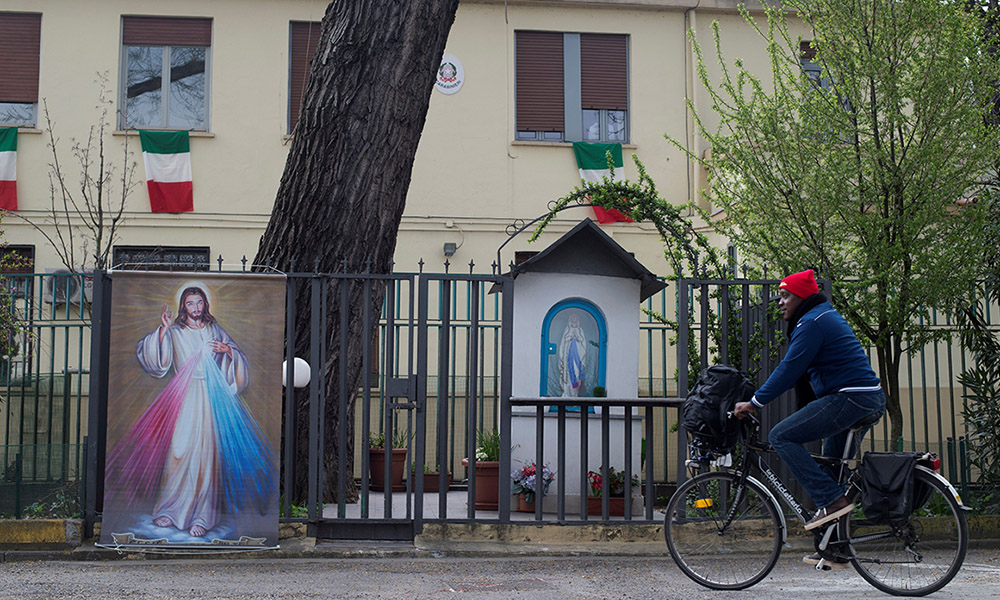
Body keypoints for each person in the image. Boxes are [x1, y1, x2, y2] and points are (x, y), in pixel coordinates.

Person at [106, 285, 275, 539]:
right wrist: (163, 330)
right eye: (190, 303)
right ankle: (170, 510)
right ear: (183, 307)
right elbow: (156, 361)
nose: (195, 308)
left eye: (199, 302)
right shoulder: (175, 332)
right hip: (185, 396)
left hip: (211, 396)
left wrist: (228, 351)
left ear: (205, 304)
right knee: (179, 452)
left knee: (206, 456)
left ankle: (202, 516)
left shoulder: (214, 330)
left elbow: (237, 358)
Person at [733, 269, 884, 544]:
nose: (780, 302)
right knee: (831, 471)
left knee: (781, 436)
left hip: (850, 398)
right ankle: (835, 547)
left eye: (785, 296)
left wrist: (755, 402)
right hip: (864, 398)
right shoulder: (820, 316)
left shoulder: (813, 322)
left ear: (801, 297)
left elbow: (790, 369)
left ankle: (832, 501)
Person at [559, 312, 587, 396]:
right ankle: (567, 393)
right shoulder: (567, 329)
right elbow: (563, 343)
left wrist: (577, 338)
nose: (574, 319)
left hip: (577, 357)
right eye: (572, 317)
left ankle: (575, 394)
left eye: (575, 317)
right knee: (568, 374)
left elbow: (583, 344)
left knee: (577, 372)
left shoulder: (580, 330)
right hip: (568, 357)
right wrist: (570, 338)